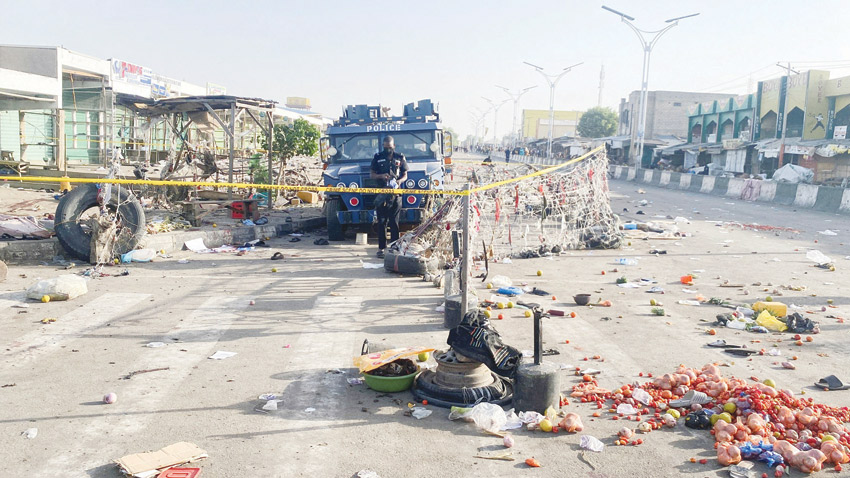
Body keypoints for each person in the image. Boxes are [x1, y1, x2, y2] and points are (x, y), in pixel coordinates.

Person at [370, 136, 408, 258]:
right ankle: (381, 248)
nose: (388, 150)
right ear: (383, 146)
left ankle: (394, 247)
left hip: (396, 195)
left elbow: (405, 175)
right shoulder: (377, 157)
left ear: (394, 146)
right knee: (381, 222)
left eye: (390, 147)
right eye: (386, 147)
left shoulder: (400, 157)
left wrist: (399, 181)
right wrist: (381, 176)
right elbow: (372, 175)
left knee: (394, 222)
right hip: (382, 194)